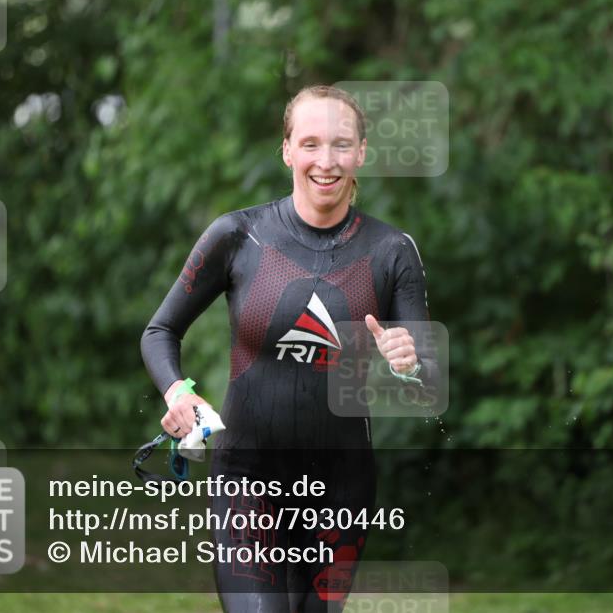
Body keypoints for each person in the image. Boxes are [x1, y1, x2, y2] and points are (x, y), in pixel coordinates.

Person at [141, 84, 436, 612]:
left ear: (362, 153)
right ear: (287, 150)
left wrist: (410, 364)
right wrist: (177, 392)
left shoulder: (393, 252)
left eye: (341, 145)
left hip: (341, 489)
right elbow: (160, 331)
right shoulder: (238, 235)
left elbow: (429, 384)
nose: (326, 161)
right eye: (310, 144)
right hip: (246, 480)